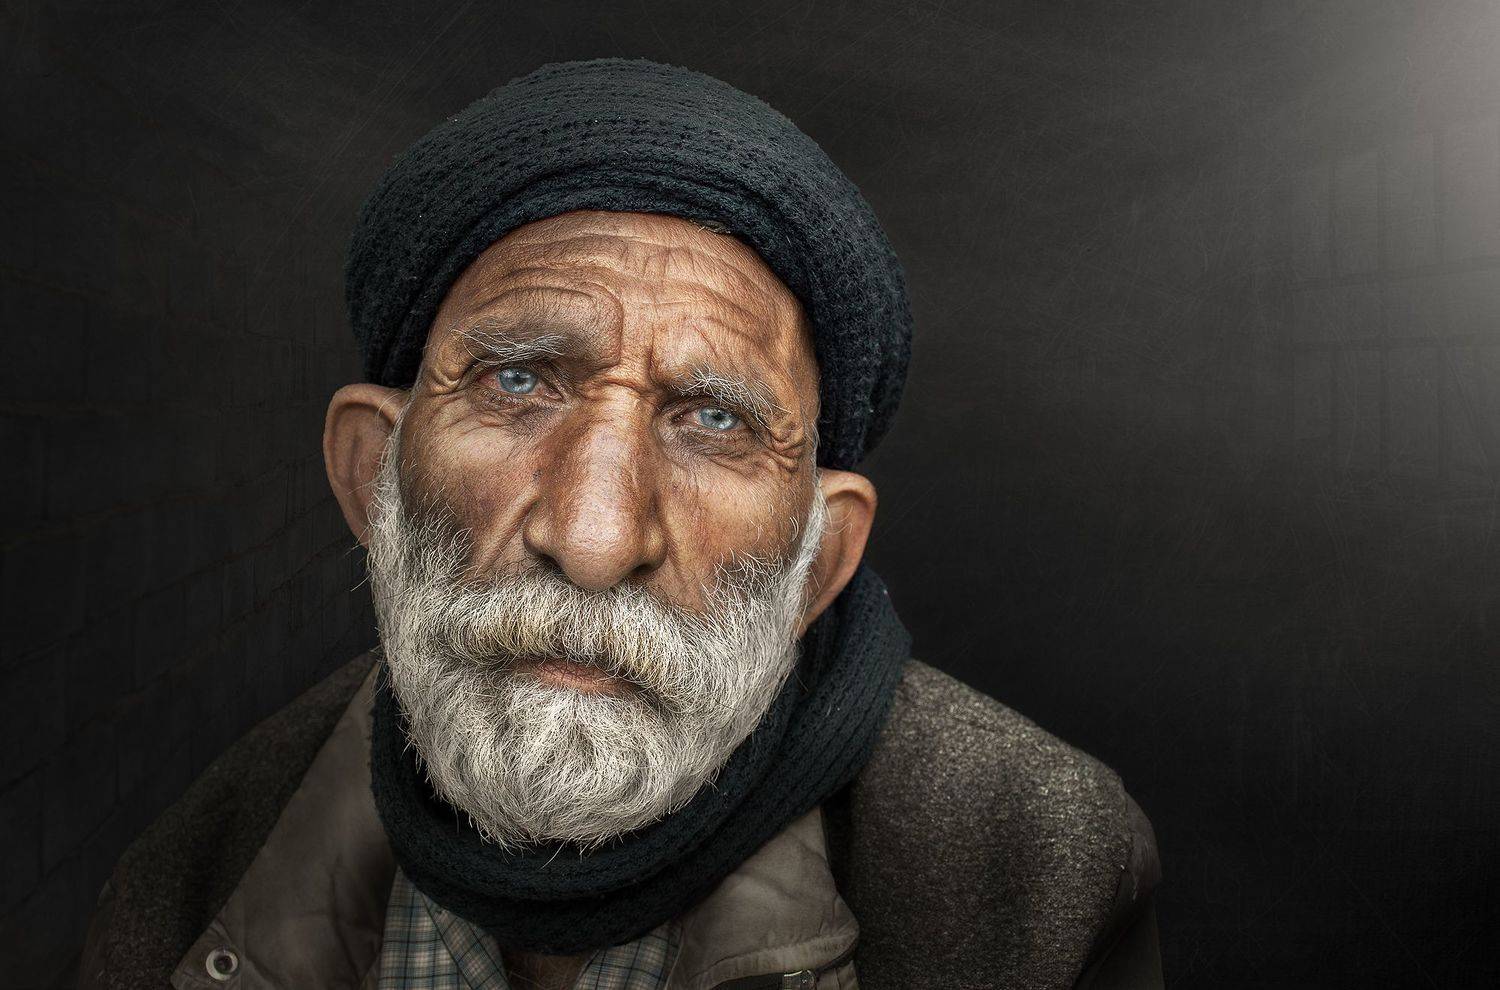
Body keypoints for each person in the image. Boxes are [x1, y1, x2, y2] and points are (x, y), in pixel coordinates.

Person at [80, 58, 1161, 990]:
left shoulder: (1032, 871)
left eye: (713, 420)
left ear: (819, 560)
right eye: (514, 382)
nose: (594, 542)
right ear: (373, 480)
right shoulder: (195, 883)